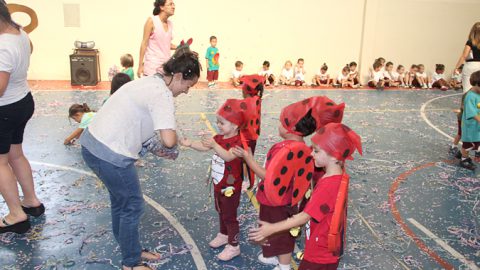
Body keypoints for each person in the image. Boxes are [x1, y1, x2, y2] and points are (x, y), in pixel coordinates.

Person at [80, 47, 200, 270]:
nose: (186, 91)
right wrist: (178, 144)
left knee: (120, 201)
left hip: (92, 144)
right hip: (110, 153)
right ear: (178, 76)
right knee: (132, 205)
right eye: (187, 85)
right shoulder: (161, 94)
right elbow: (169, 140)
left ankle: (130, 249)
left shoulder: (150, 81)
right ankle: (131, 263)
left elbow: (153, 125)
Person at [233, 97, 345, 270]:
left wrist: (249, 159)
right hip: (285, 200)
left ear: (290, 127)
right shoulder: (302, 148)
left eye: (280, 122)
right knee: (272, 226)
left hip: (278, 201)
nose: (278, 125)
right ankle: (271, 255)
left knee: (281, 232)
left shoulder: (287, 150)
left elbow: (269, 178)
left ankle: (284, 265)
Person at [248, 123, 362, 270]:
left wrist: (271, 228)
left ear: (334, 156)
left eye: (316, 151)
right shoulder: (339, 174)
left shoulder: (328, 186)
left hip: (319, 252)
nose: (311, 154)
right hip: (326, 248)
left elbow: (303, 217)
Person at [180, 97, 256, 261]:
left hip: (230, 188)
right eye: (218, 122)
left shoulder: (238, 142)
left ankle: (234, 245)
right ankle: (223, 234)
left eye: (222, 123)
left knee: (229, 215)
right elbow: (204, 146)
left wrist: (215, 146)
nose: (218, 126)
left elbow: (228, 157)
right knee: (221, 211)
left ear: (235, 125)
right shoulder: (220, 138)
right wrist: (190, 143)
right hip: (218, 185)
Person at [0, 2, 44, 235]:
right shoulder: (20, 33)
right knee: (15, 154)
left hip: (5, 109)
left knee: (0, 162)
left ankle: (16, 214)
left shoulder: (3, 45)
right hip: (22, 102)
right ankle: (31, 201)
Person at [137, 0, 176, 77]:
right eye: (170, 4)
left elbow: (165, 44)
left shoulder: (170, 24)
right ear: (161, 7)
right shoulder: (151, 21)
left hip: (166, 67)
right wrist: (140, 66)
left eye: (173, 4)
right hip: (152, 68)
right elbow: (144, 43)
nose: (173, 7)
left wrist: (181, 47)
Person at [458, 70, 480, 170]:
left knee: (475, 142)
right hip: (470, 126)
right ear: (475, 84)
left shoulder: (478, 94)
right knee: (468, 144)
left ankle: (464, 154)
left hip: (477, 126)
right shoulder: (470, 96)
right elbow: (472, 112)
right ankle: (464, 159)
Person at [454, 22, 480, 93]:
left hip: (471, 66)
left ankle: (467, 103)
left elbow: (464, 56)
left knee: (467, 89)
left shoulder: (470, 42)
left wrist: (457, 68)